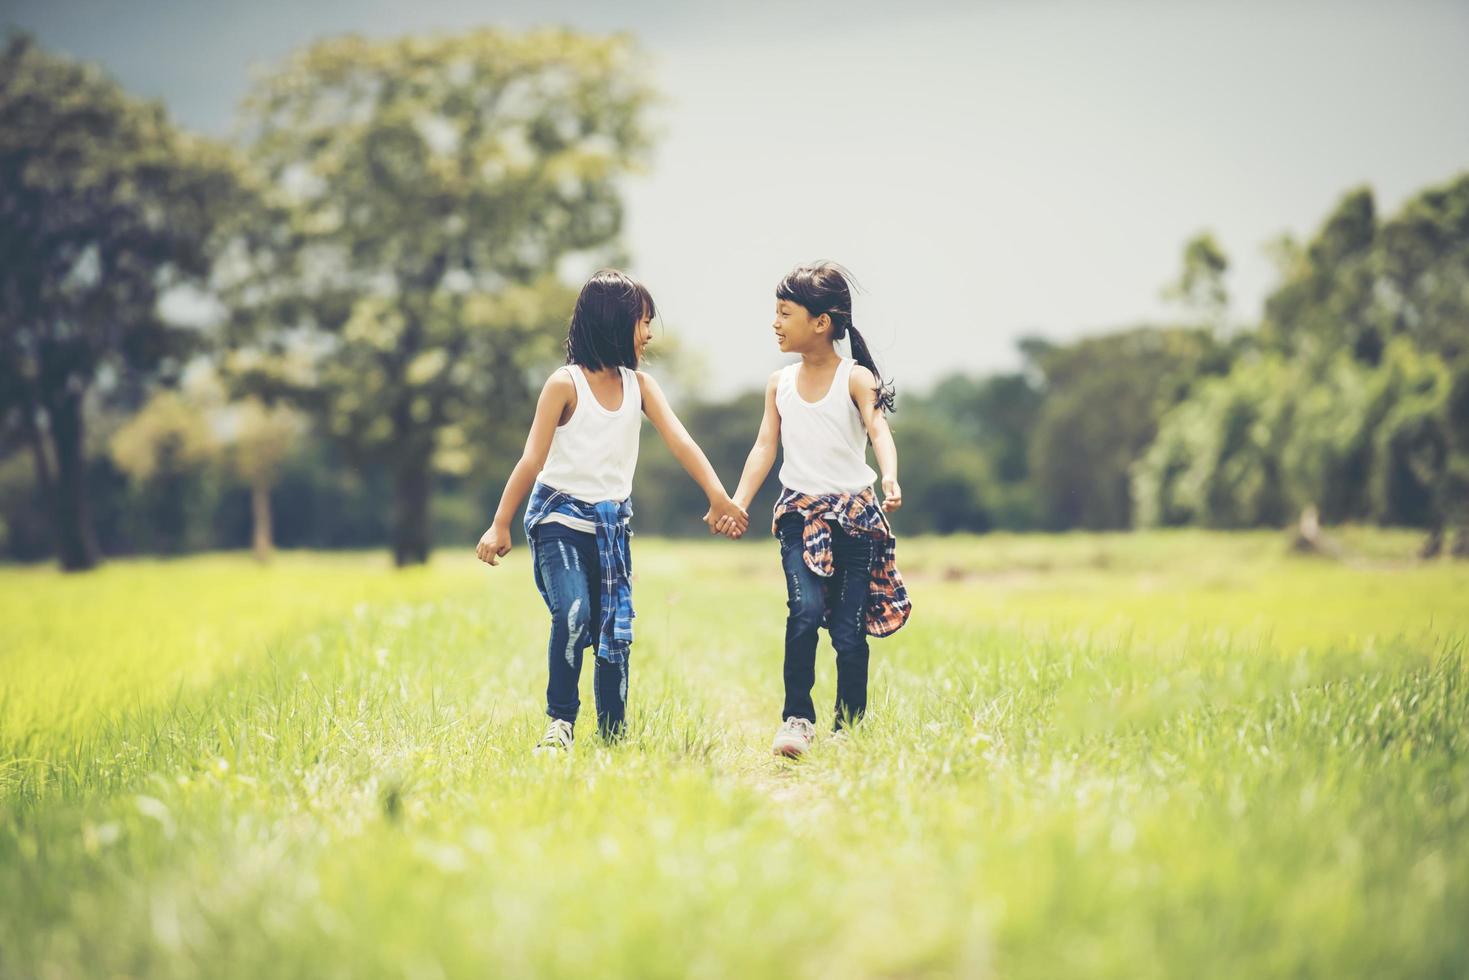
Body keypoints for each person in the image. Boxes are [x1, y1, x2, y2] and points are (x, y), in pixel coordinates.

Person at [476, 270, 748, 750]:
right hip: (558, 520)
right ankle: (560, 723)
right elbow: (531, 460)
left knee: (612, 631)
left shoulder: (641, 386)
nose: (647, 333)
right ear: (612, 322)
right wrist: (500, 523)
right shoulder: (564, 385)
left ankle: (613, 735)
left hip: (609, 528)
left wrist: (718, 494)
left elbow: (680, 441)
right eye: (642, 321)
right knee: (574, 613)